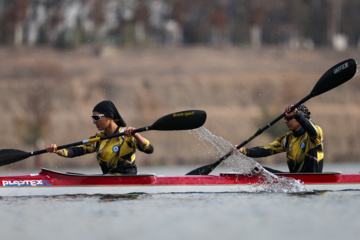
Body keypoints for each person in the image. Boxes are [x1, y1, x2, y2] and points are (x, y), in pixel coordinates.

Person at [46, 100, 154, 175]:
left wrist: (136, 134)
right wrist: (58, 151)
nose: (94, 122)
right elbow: (77, 150)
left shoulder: (126, 135)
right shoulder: (98, 139)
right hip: (108, 187)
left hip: (128, 185)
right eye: (93, 118)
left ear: (109, 116)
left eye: (97, 118)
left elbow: (149, 149)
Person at [237, 104, 324, 173]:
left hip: (312, 182)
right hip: (295, 182)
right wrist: (244, 151)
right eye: (285, 118)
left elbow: (313, 130)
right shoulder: (288, 138)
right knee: (257, 170)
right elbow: (267, 149)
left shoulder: (314, 135)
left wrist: (297, 114)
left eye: (289, 118)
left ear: (301, 119)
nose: (285, 121)